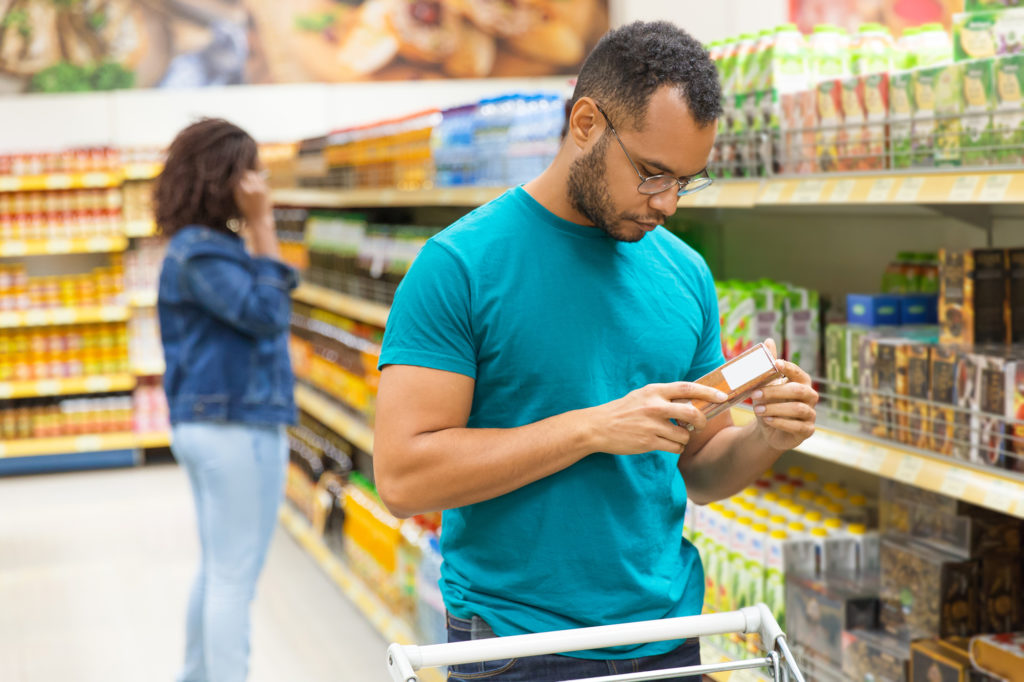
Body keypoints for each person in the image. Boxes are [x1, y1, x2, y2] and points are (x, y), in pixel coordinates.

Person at [373, 21, 819, 682]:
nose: (667, 203)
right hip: (515, 645)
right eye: (650, 173)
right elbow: (404, 478)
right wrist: (593, 429)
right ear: (586, 123)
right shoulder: (459, 266)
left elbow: (700, 467)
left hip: (669, 635)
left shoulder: (685, 273)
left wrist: (767, 438)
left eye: (685, 181)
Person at [154, 118, 298, 682]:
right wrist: (264, 224)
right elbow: (268, 315)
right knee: (234, 576)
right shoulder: (203, 253)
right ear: (229, 178)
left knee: (219, 569)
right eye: (253, 169)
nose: (261, 180)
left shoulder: (204, 247)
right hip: (233, 426)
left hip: (214, 424)